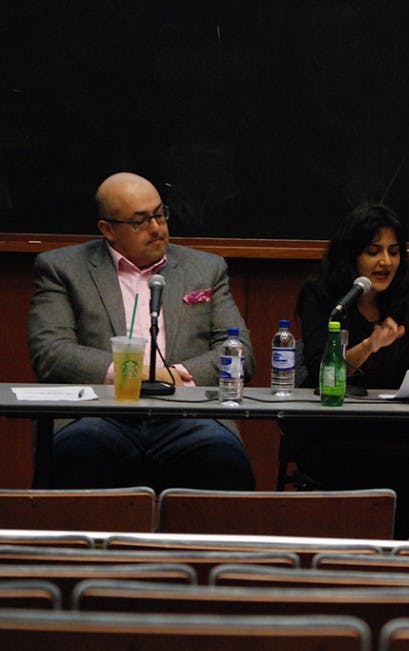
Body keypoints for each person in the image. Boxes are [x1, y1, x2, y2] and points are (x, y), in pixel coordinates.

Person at [28, 172, 256, 491]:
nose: (156, 228)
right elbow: (51, 352)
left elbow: (239, 350)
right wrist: (137, 376)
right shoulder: (62, 268)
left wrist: (178, 375)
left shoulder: (205, 269)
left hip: (188, 415)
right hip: (98, 413)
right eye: (139, 221)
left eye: (160, 214)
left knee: (224, 460)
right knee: (77, 456)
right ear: (107, 229)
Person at [286, 202, 409, 540]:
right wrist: (368, 347)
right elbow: (321, 370)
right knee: (348, 473)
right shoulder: (323, 295)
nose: (386, 262)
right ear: (351, 255)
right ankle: (359, 557)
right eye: (373, 251)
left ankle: (378, 554)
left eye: (394, 252)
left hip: (398, 432)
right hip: (335, 430)